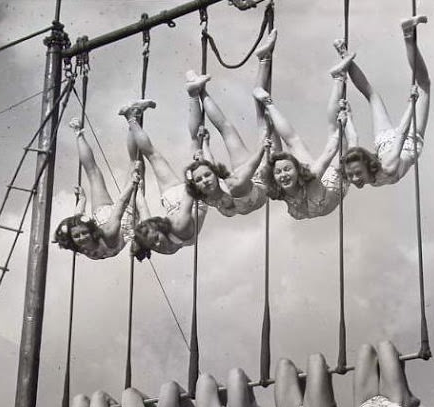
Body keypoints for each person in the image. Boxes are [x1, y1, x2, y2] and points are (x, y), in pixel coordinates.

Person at [252, 45, 355, 220]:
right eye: (279, 173)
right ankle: (267, 101)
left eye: (286, 170)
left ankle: (338, 79)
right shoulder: (277, 186)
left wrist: (342, 126)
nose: (283, 175)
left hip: (329, 186)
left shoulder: (310, 177)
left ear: (298, 170)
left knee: (332, 131)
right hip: (324, 189)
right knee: (291, 141)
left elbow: (330, 151)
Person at [183, 30, 279, 217]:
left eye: (206, 176)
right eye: (201, 179)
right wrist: (263, 147)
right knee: (263, 119)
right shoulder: (225, 187)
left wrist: (208, 147)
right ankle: (263, 59)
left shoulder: (214, 191)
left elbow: (211, 166)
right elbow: (250, 168)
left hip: (250, 179)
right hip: (256, 178)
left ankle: (197, 91)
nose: (204, 181)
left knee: (226, 127)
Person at [337, 16, 430, 188]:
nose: (355, 178)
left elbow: (402, 134)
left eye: (356, 173)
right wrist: (348, 118)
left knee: (423, 85)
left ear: (367, 165)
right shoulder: (377, 168)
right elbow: (353, 140)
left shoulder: (388, 168)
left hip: (403, 143)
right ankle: (344, 55)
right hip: (386, 144)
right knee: (371, 96)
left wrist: (412, 103)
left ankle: (408, 34)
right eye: (351, 174)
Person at [118, 100, 208, 260]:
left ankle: (132, 117)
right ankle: (131, 117)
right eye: (155, 241)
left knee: (153, 155)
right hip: (180, 204)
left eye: (154, 243)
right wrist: (197, 166)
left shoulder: (158, 233)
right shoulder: (172, 229)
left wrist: (136, 186)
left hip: (178, 203)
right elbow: (189, 194)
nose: (157, 245)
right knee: (153, 155)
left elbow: (142, 207)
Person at [53, 118, 143, 260]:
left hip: (122, 218)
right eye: (77, 236)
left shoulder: (108, 234)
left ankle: (130, 118)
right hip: (106, 222)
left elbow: (121, 204)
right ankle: (79, 132)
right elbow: (76, 219)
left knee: (99, 172)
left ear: (91, 231)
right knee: (96, 173)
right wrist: (82, 201)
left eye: (83, 233)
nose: (82, 238)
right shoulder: (76, 244)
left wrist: (132, 184)